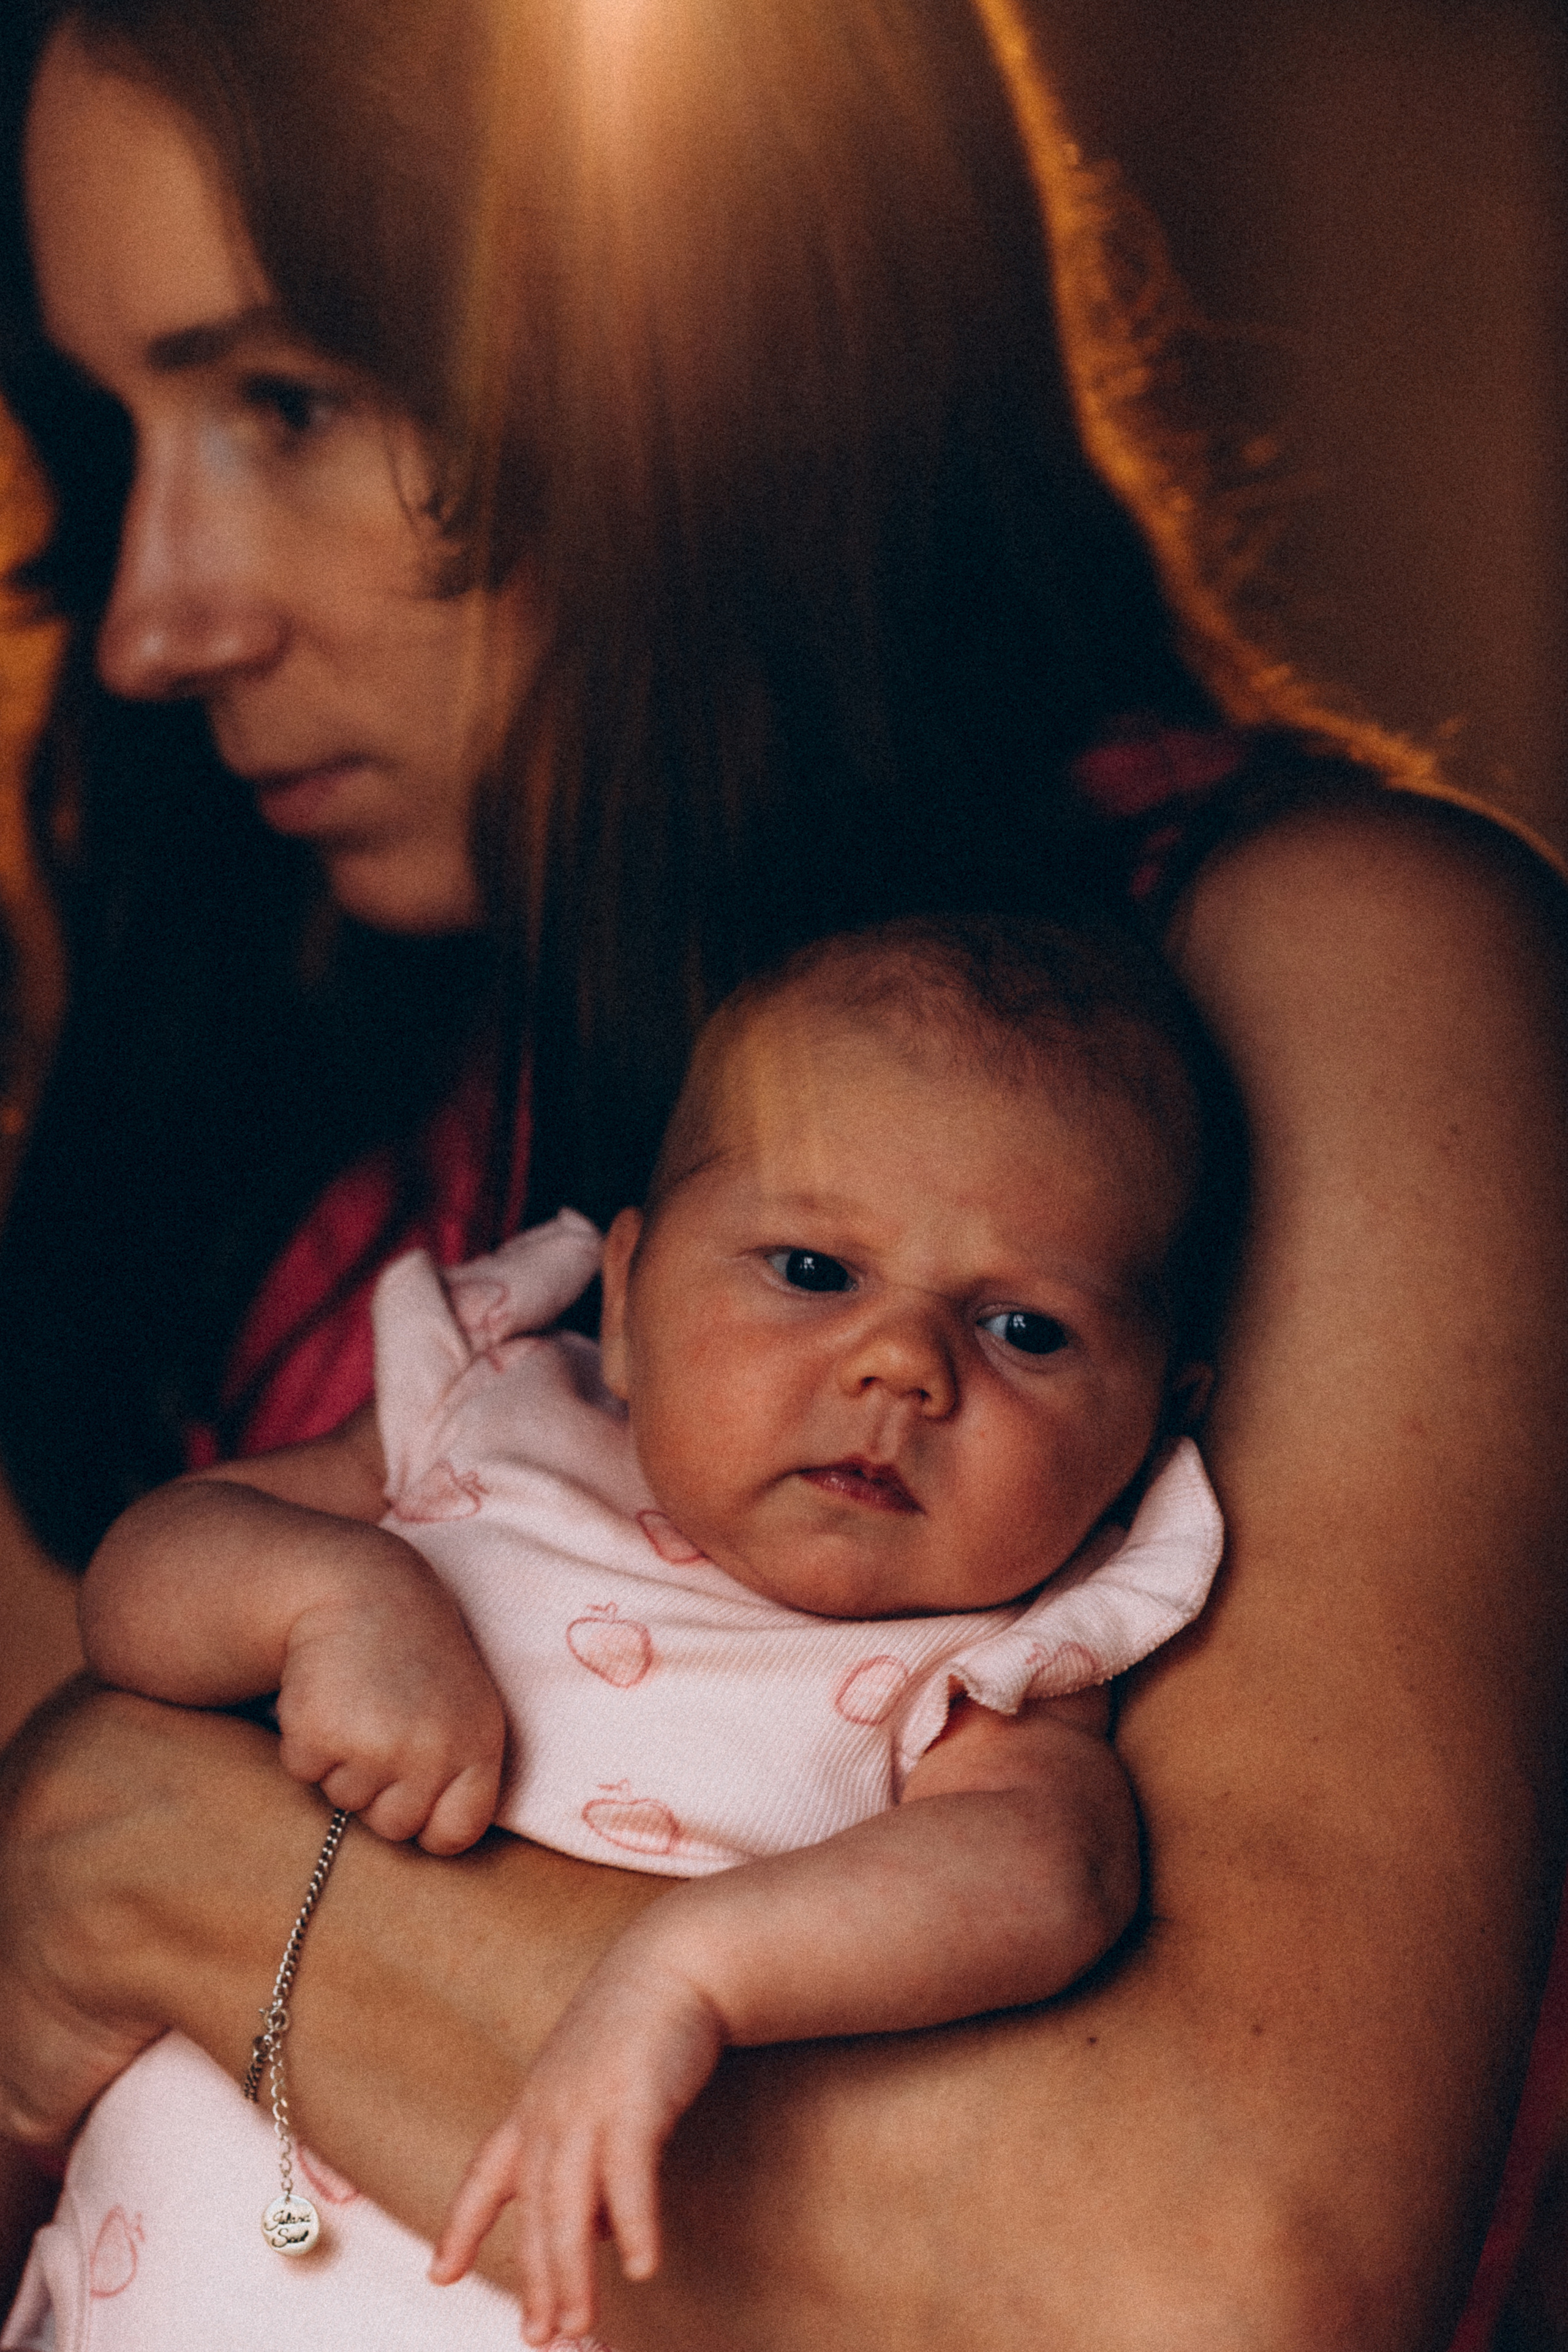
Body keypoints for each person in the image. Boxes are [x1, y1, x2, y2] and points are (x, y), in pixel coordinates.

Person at [0, 1, 1564, 2346]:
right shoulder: (305, 1094)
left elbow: (1203, 2277)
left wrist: (166, 1866)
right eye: (120, 436)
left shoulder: (1325, 973)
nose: (156, 621)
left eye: (294, 402)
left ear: (685, 332)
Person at [42, 913, 1230, 2348]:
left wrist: (694, 1969)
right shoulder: (484, 1419)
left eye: (1022, 1330)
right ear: (627, 1286)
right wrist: (334, 1595)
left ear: (1158, 1413)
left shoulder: (987, 1656)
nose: (898, 1364)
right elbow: (140, 1586)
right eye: (809, 1269)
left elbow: (1056, 1871)